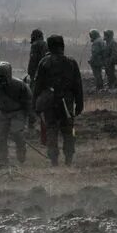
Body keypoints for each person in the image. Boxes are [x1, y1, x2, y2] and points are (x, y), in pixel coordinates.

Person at [33, 35, 84, 167]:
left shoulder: (44, 62)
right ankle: (68, 159)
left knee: (51, 129)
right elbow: (78, 85)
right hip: (67, 102)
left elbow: (37, 85)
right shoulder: (71, 62)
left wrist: (35, 103)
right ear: (62, 46)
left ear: (49, 46)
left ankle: (54, 160)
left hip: (49, 101)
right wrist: (79, 103)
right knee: (68, 131)